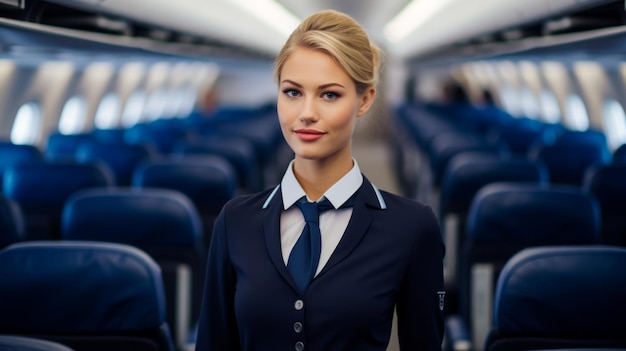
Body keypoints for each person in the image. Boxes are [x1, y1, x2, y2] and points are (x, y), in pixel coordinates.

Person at [195, 9, 445, 351]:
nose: (307, 113)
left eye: (329, 94)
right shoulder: (234, 221)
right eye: (293, 92)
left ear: (365, 99)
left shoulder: (412, 227)